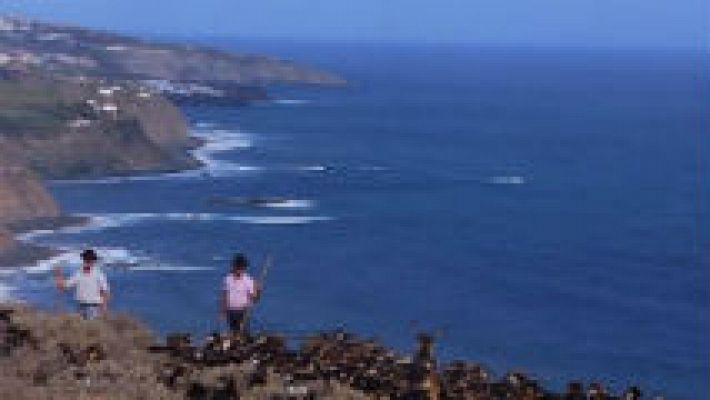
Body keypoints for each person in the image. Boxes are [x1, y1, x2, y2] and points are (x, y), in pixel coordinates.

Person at [54, 249, 110, 320]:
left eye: (90, 259)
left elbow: (106, 292)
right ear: (83, 260)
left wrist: (104, 309)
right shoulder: (78, 273)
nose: (88, 261)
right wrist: (59, 275)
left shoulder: (99, 274)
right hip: (80, 307)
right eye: (86, 259)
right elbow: (64, 287)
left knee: (91, 329)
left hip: (94, 308)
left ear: (94, 261)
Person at [220, 253, 260, 334]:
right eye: (238, 267)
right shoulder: (228, 279)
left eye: (242, 268)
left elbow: (255, 299)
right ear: (234, 267)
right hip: (230, 311)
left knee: (243, 333)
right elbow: (225, 295)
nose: (239, 270)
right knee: (233, 332)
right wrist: (223, 310)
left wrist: (258, 291)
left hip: (243, 311)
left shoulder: (248, 281)